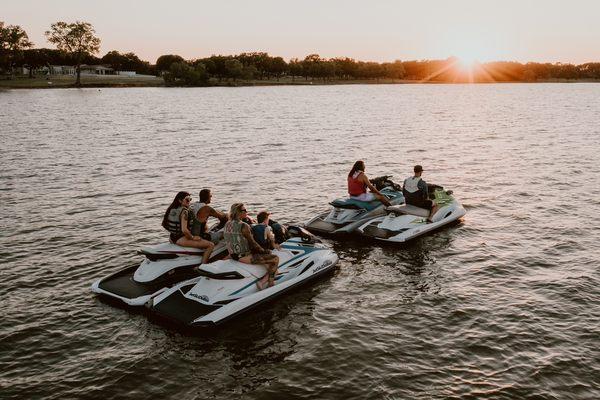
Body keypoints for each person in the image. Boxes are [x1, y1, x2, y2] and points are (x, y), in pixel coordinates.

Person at [224, 203, 279, 290]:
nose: (246, 211)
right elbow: (253, 243)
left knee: (270, 263)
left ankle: (268, 279)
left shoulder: (227, 224)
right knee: (275, 259)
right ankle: (269, 283)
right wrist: (264, 251)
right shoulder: (243, 225)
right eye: (244, 210)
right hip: (244, 256)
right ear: (238, 212)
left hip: (232, 254)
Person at [162, 191, 215, 264]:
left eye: (190, 199)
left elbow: (165, 225)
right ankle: (203, 265)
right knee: (210, 245)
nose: (189, 201)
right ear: (180, 200)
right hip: (181, 239)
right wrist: (193, 237)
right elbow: (184, 230)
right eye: (187, 200)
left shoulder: (171, 209)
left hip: (172, 237)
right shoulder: (184, 212)